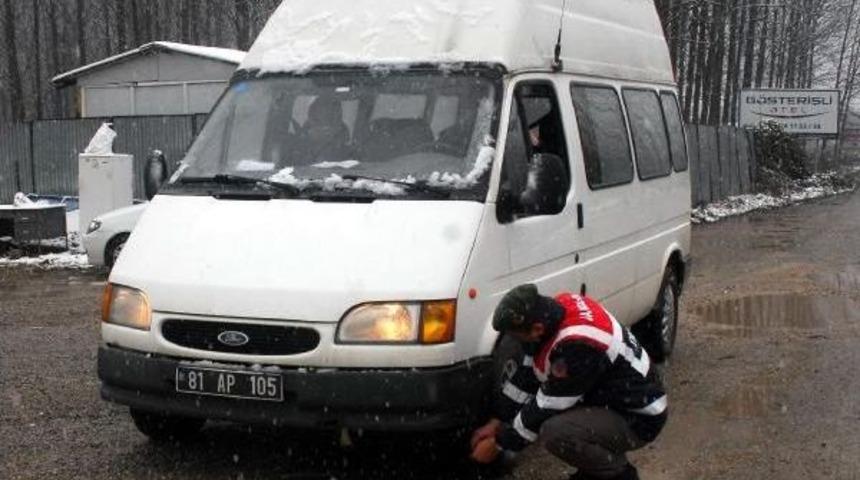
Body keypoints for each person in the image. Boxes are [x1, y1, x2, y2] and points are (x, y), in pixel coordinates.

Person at [470, 284, 668, 480]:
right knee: (560, 420)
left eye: (516, 336)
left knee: (556, 432)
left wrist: (499, 443)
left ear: (537, 329)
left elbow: (546, 406)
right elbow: (528, 376)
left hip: (640, 415)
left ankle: (618, 474)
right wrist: (498, 421)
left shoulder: (576, 345)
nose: (516, 341)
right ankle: (593, 471)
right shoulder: (555, 310)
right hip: (618, 395)